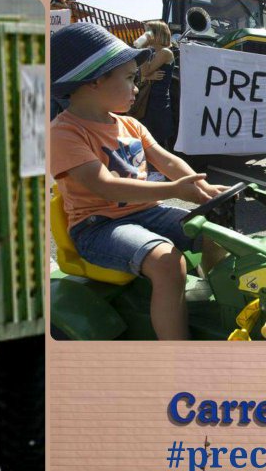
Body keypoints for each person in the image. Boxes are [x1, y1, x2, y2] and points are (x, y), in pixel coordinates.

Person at [50, 22, 225, 340]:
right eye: (131, 79)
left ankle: (218, 307)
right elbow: (104, 185)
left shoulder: (131, 125)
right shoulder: (65, 132)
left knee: (214, 230)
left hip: (144, 214)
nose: (136, 87)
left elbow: (166, 160)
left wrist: (201, 187)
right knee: (166, 262)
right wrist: (174, 190)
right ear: (96, 80)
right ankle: (177, 352)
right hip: (98, 226)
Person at [132, 21, 176, 149]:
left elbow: (145, 71)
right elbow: (142, 75)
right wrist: (148, 77)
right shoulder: (153, 53)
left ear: (158, 34)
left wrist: (143, 49)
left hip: (157, 101)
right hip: (149, 99)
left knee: (157, 137)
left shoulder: (165, 52)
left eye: (149, 32)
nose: (145, 35)